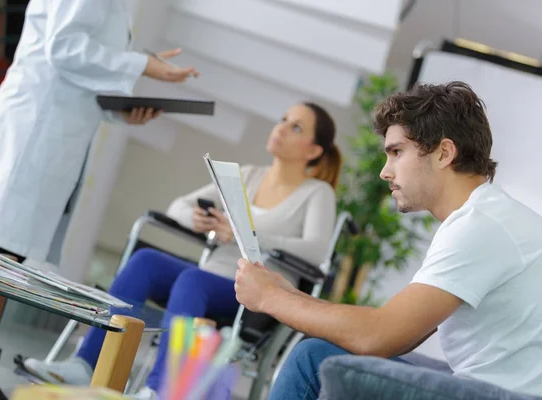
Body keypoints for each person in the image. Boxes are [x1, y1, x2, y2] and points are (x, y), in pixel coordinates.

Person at [234, 82, 542, 400]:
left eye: (396, 153)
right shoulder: (486, 216)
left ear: (444, 153)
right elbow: (402, 333)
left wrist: (269, 298)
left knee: (314, 361)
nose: (385, 171)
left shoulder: (481, 226)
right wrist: (289, 294)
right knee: (333, 357)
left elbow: (378, 336)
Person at [22, 102, 342, 400]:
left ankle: (159, 391)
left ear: (314, 150)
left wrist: (251, 235)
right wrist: (197, 219)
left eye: (296, 127)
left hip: (256, 296)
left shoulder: (318, 193)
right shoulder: (247, 175)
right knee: (146, 262)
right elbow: (179, 205)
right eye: (283, 120)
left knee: (192, 280)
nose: (282, 128)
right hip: (209, 277)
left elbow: (316, 251)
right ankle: (84, 366)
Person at [0, 1, 199, 398]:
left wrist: (120, 111)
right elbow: (63, 47)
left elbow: (74, 65)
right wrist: (139, 64)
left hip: (53, 128)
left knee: (4, 258)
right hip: (34, 128)